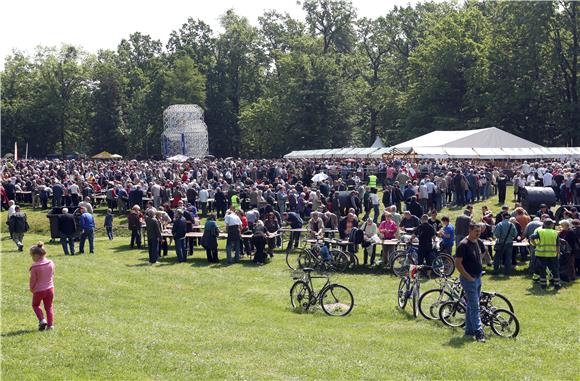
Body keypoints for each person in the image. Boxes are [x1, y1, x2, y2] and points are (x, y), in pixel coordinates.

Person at [454, 222, 487, 342]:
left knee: (471, 306)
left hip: (477, 277)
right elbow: (457, 263)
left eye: (479, 231)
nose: (478, 233)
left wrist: (478, 261)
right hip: (469, 280)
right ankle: (479, 332)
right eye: (476, 231)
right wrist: (468, 277)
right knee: (475, 306)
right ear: (470, 230)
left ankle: (469, 330)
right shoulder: (463, 244)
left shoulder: (477, 242)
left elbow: (483, 252)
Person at [29, 242, 55, 331]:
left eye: (32, 256)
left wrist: (32, 288)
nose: (32, 258)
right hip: (50, 289)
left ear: (37, 255)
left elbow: (33, 280)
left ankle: (42, 320)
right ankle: (50, 325)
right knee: (49, 307)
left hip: (39, 291)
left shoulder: (35, 267)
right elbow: (52, 274)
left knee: (35, 305)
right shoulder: (51, 263)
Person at [529, 219, 561, 290]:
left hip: (541, 254)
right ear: (551, 225)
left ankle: (543, 285)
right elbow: (558, 244)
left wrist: (535, 244)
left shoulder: (539, 232)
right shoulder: (555, 232)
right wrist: (558, 253)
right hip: (552, 254)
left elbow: (531, 237)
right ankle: (557, 284)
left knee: (542, 270)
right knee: (555, 269)